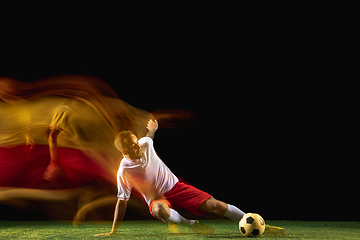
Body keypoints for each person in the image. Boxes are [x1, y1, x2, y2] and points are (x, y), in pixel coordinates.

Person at [95, 119, 248, 236]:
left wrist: (152, 129)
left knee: (218, 206)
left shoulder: (145, 144)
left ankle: (252, 220)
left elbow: (149, 137)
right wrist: (113, 231)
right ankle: (192, 224)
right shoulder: (123, 171)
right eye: (133, 146)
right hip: (157, 198)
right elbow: (122, 201)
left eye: (136, 142)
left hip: (176, 187)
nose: (138, 146)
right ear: (124, 151)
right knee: (160, 210)